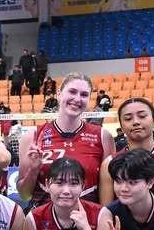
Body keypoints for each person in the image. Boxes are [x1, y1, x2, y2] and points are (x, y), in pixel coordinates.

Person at [18, 74, 115, 206]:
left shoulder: (103, 137)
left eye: (84, 95)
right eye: (72, 92)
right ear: (59, 93)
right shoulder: (33, 136)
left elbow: (108, 199)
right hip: (44, 217)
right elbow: (24, 195)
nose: (77, 99)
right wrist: (33, 170)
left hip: (87, 217)